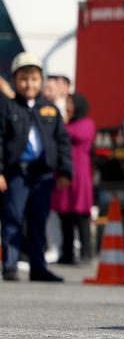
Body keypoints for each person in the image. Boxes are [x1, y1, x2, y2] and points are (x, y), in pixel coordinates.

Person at [0, 53, 72, 282]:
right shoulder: (8, 107)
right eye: (23, 79)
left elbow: (62, 141)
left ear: (42, 81)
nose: (29, 84)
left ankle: (38, 268)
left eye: (34, 79)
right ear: (14, 80)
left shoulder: (49, 110)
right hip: (17, 173)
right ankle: (9, 264)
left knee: (39, 220)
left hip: (43, 174)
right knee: (13, 217)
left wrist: (65, 171)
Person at [54, 93, 96, 265]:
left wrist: (60, 126)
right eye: (67, 103)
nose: (68, 107)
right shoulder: (65, 124)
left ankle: (86, 253)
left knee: (81, 215)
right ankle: (67, 253)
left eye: (71, 103)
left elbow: (74, 135)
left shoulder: (87, 123)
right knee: (65, 215)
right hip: (64, 174)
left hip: (80, 175)